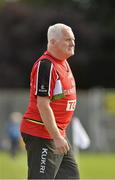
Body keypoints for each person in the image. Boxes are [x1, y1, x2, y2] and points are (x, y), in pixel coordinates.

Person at [20, 23, 80, 179]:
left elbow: (58, 98)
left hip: (57, 133)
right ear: (53, 42)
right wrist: (57, 137)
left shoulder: (63, 63)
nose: (72, 43)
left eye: (73, 39)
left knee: (70, 177)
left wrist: (59, 135)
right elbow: (43, 104)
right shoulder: (46, 65)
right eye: (67, 39)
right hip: (42, 134)